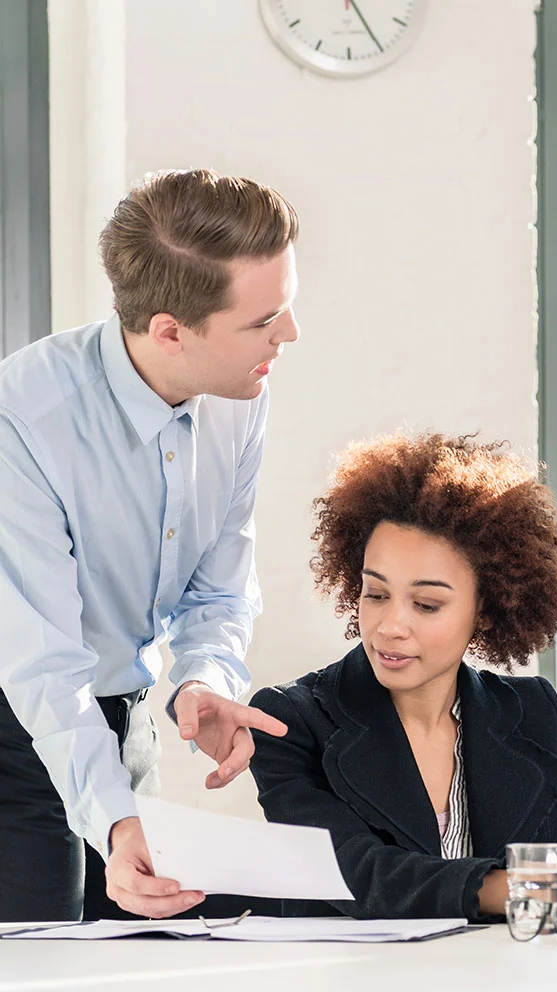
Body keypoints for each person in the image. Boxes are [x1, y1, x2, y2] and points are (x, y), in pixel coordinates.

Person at [0, 169, 299, 921]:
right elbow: (41, 656)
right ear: (170, 330)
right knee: (37, 956)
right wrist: (110, 814)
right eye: (265, 319)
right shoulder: (24, 418)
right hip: (20, 715)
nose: (288, 336)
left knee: (142, 949)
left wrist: (205, 679)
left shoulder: (240, 389)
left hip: (123, 713)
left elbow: (221, 587)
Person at [249, 434, 557, 920]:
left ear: (486, 611)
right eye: (375, 594)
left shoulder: (530, 713)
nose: (389, 626)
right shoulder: (291, 721)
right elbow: (360, 876)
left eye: (426, 604)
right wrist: (548, 892)